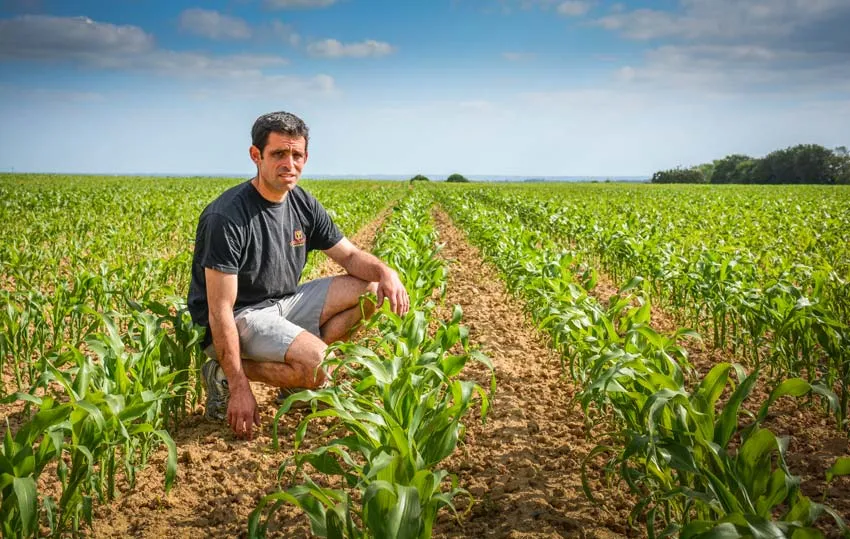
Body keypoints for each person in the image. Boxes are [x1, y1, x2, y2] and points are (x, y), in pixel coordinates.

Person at [187, 111, 409, 440]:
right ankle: (223, 371)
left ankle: (293, 378)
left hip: (284, 304)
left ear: (306, 157)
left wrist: (385, 271)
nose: (289, 164)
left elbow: (348, 255)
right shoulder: (228, 216)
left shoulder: (301, 203)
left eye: (297, 155)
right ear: (256, 156)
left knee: (370, 288)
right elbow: (220, 310)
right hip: (240, 316)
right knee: (321, 368)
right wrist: (240, 386)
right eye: (278, 154)